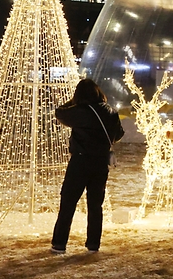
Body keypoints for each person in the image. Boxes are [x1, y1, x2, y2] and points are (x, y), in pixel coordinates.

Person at [51, 78, 124, 254]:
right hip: (100, 162)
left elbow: (59, 112)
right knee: (95, 204)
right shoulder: (111, 112)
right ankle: (93, 244)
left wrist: (75, 101)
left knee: (68, 201)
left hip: (80, 161)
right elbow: (119, 133)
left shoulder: (80, 111)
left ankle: (59, 243)